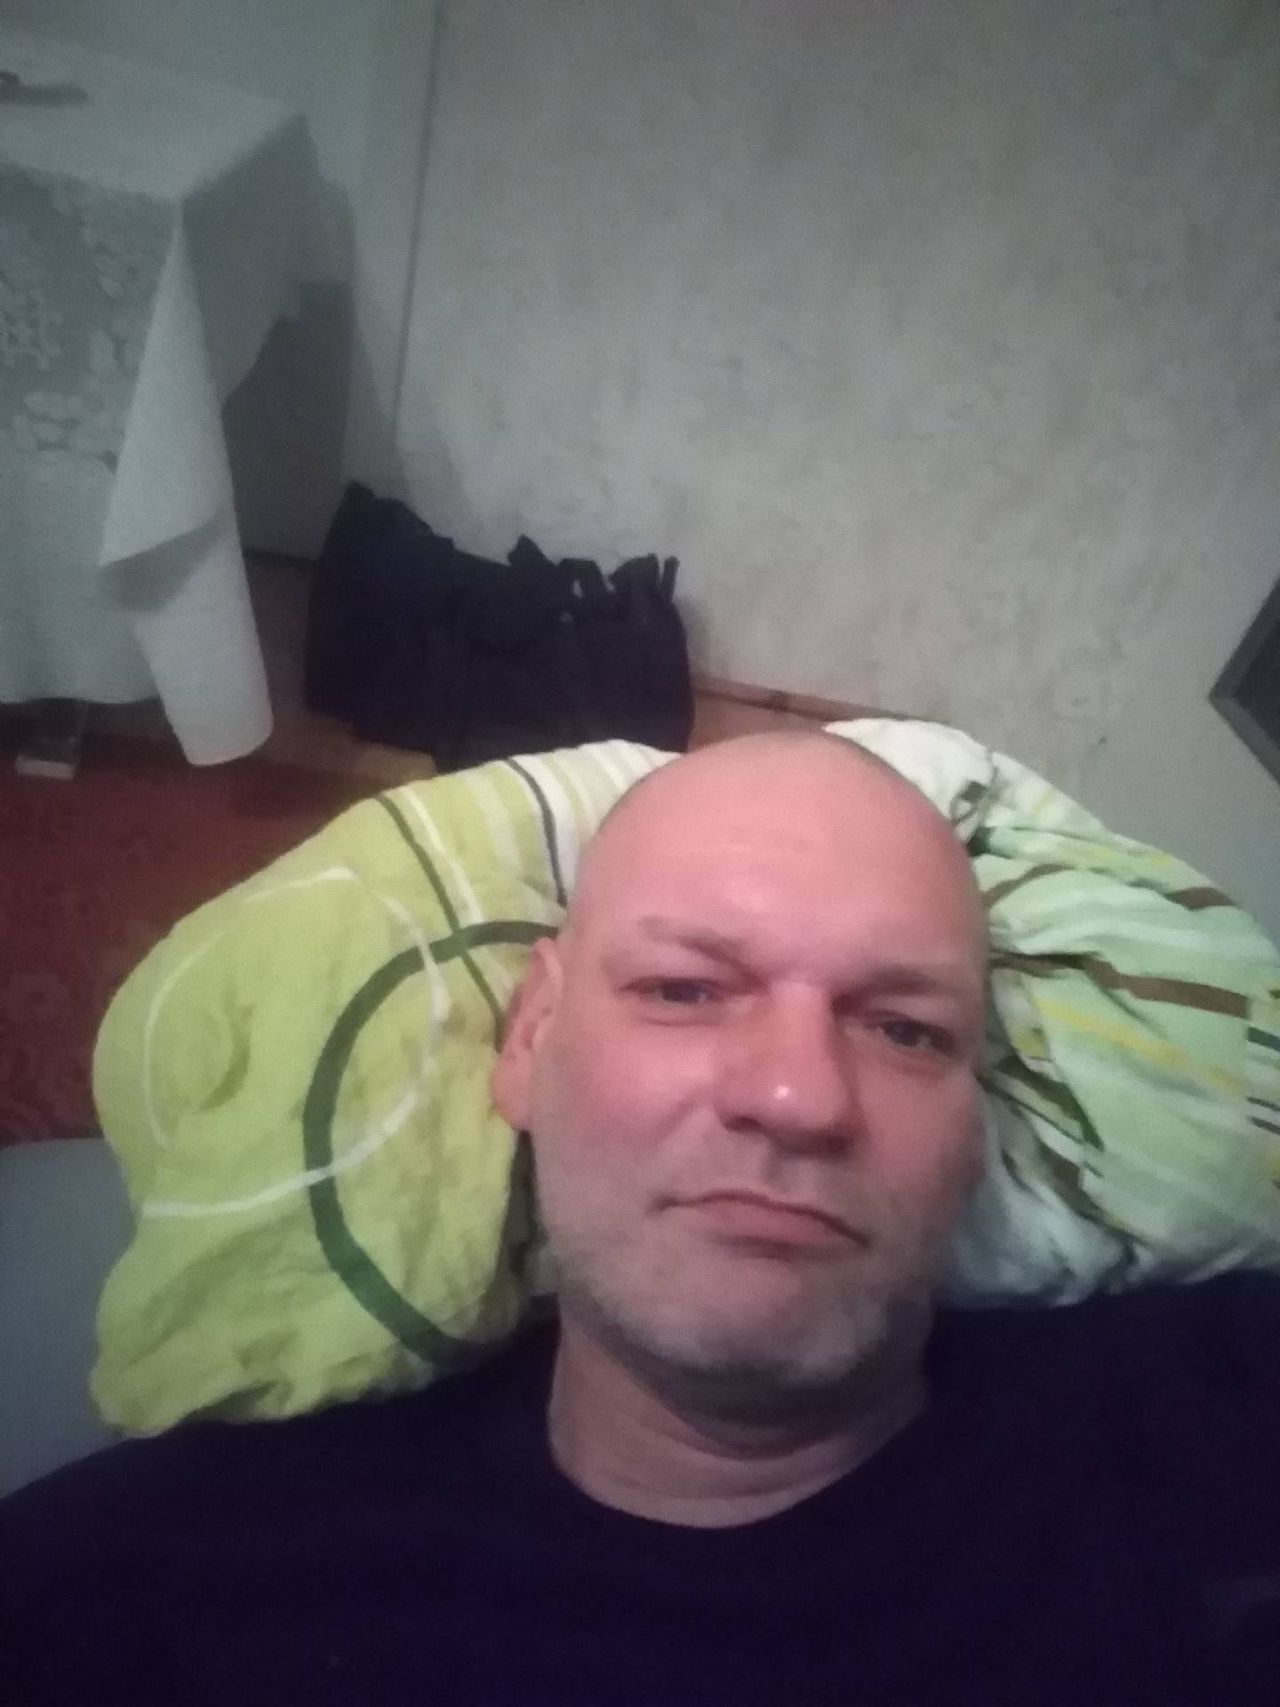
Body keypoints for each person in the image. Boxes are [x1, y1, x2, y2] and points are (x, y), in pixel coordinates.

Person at [2, 732, 1277, 1707]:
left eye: (903, 1028)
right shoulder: (148, 1586)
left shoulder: (1206, 1427)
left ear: (976, 1118)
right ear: (531, 1039)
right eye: (683, 989)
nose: (795, 1096)